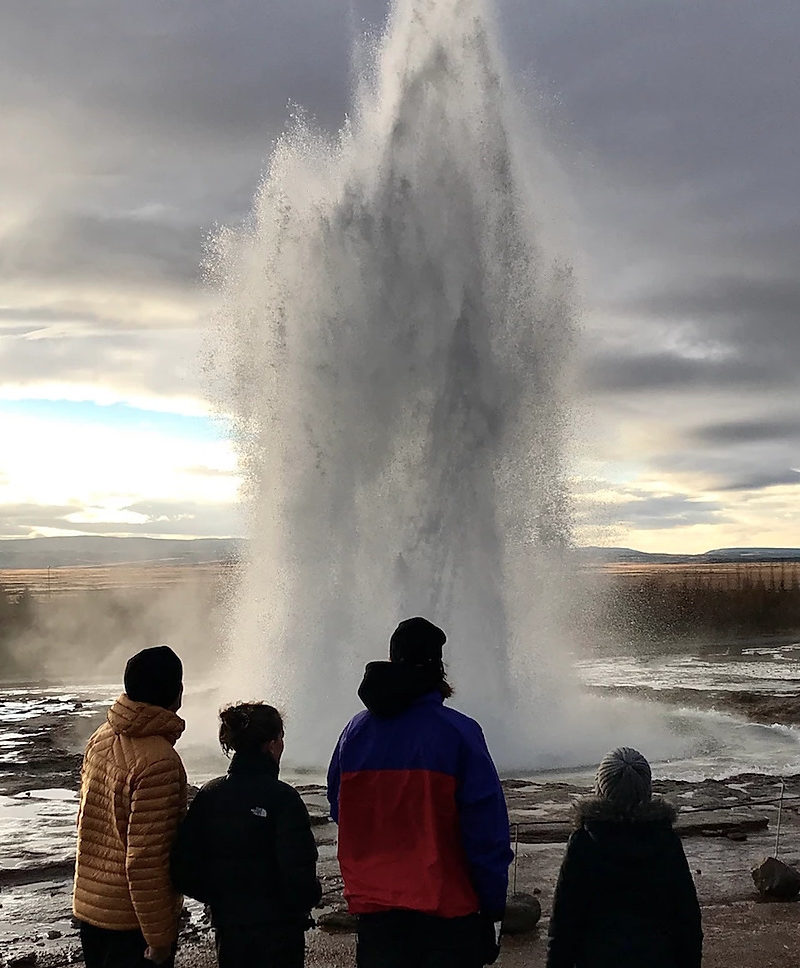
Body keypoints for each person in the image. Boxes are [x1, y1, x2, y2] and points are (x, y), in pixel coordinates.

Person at [327, 617, 513, 968]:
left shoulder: (354, 733)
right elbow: (485, 831)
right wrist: (491, 907)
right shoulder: (459, 733)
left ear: (392, 659)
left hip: (377, 913)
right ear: (438, 667)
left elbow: (341, 810)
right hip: (447, 914)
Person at [171, 702, 322, 968]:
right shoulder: (284, 799)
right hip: (279, 933)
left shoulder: (210, 795)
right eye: (280, 738)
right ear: (271, 744)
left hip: (229, 929)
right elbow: (299, 873)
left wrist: (220, 900)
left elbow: (184, 867)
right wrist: (296, 907)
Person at [73, 645, 187, 968]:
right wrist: (159, 938)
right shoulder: (159, 762)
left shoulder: (101, 737)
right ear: (175, 693)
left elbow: (85, 822)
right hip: (129, 924)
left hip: (91, 909)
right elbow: (145, 860)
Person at [546, 746, 703, 968]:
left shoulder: (584, 841)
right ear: (647, 789)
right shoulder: (666, 840)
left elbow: (564, 923)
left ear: (601, 789)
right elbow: (687, 919)